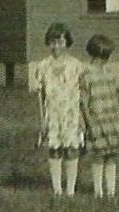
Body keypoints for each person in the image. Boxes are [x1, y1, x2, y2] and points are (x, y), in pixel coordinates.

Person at [28, 21, 86, 196]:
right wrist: (42, 120)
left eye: (60, 42)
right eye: (53, 42)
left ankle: (70, 189)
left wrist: (83, 117)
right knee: (54, 149)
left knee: (71, 149)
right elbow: (41, 95)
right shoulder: (43, 66)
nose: (56, 46)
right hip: (52, 114)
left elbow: (83, 92)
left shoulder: (76, 65)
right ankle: (57, 189)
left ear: (67, 42)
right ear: (48, 43)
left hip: (71, 113)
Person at [80, 34, 119, 198]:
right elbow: (83, 101)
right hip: (97, 119)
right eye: (104, 55)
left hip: (111, 118)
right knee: (99, 156)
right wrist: (88, 122)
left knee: (111, 156)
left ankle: (111, 191)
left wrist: (118, 119)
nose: (105, 60)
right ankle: (98, 191)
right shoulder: (86, 74)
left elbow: (113, 98)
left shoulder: (109, 73)